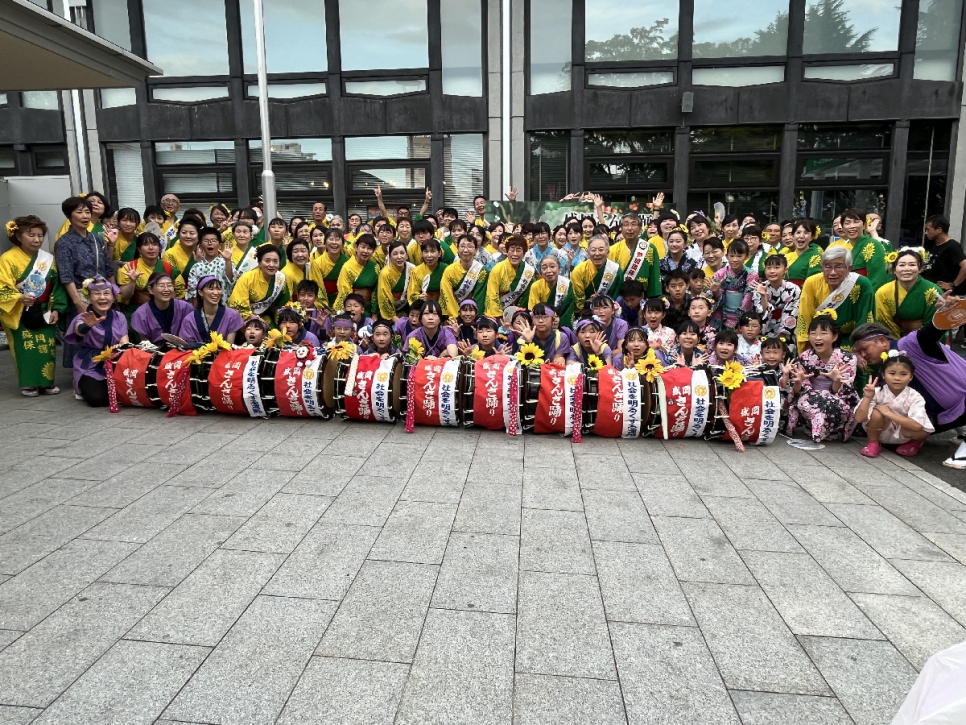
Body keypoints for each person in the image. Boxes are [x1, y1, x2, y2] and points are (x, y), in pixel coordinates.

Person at [0, 216, 68, 396]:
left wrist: (57, 308)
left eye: (40, 235)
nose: (37, 239)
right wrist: (19, 297)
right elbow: (2, 286)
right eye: (31, 235)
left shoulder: (48, 259)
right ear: (18, 236)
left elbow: (57, 285)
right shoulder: (7, 259)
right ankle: (29, 383)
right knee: (26, 348)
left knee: (46, 347)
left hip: (44, 309)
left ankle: (46, 382)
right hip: (19, 310)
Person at [55, 196, 118, 368]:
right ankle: (81, 372)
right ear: (69, 216)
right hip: (80, 295)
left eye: (87, 212)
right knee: (82, 333)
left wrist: (114, 292)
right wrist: (78, 303)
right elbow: (66, 276)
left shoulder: (97, 239)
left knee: (105, 332)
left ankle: (106, 369)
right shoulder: (64, 243)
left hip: (103, 294)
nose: (85, 216)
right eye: (79, 212)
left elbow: (107, 268)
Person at [788, 314, 859, 442]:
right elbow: (799, 390)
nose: (817, 338)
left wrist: (836, 381)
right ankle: (816, 430)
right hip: (810, 395)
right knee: (807, 403)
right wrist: (798, 382)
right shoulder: (804, 357)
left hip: (838, 398)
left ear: (835, 336)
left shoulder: (848, 358)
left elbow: (846, 390)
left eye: (823, 333)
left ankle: (823, 430)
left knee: (831, 404)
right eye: (813, 333)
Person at [797, 246, 876, 352]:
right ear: (822, 268)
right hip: (819, 341)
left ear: (849, 268)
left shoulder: (862, 284)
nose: (832, 272)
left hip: (851, 342)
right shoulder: (811, 283)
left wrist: (858, 350)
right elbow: (804, 317)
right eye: (828, 267)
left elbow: (864, 321)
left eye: (839, 267)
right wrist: (807, 350)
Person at [855, 353, 934, 458]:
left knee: (923, 428)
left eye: (903, 374)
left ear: (911, 377)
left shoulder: (915, 396)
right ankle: (873, 442)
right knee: (876, 413)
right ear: (883, 375)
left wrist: (889, 413)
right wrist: (868, 398)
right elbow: (859, 418)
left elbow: (917, 425)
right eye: (892, 373)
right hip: (880, 431)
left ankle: (915, 442)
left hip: (905, 434)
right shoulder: (877, 392)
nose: (897, 378)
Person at [66, 276, 129, 404]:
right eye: (97, 294)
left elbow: (125, 341)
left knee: (128, 392)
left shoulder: (119, 317)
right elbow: (78, 330)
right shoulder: (84, 316)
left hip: (115, 360)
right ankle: (81, 387)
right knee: (97, 399)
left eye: (106, 293)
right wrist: (87, 326)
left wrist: (121, 348)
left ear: (113, 297)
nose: (102, 297)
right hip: (90, 363)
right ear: (89, 298)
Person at [875, 249, 944, 339]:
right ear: (894, 270)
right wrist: (899, 343)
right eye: (902, 265)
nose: (906, 269)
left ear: (920, 269)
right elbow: (884, 322)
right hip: (895, 340)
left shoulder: (933, 291)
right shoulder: (883, 292)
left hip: (926, 339)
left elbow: (934, 323)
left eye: (912, 265)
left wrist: (917, 341)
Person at [228, 244, 290, 323]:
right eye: (267, 261)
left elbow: (283, 303)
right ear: (259, 263)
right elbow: (237, 306)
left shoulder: (280, 278)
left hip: (266, 316)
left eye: (275, 261)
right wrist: (257, 319)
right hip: (246, 319)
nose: (271, 265)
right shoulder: (247, 278)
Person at [177, 276, 244, 344]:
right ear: (200, 292)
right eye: (211, 289)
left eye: (218, 289)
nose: (216, 293)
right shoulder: (189, 320)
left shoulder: (232, 316)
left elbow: (229, 346)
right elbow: (186, 346)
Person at [130, 273, 193, 344]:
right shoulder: (140, 314)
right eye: (161, 286)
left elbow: (191, 334)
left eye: (169, 285)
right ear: (151, 290)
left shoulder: (185, 307)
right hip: (153, 349)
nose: (166, 289)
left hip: (183, 348)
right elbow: (144, 341)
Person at [608, 214, 662, 297]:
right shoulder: (612, 250)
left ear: (640, 229)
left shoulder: (650, 248)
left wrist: (654, 297)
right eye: (626, 224)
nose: (629, 228)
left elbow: (654, 275)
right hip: (619, 296)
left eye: (633, 224)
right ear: (621, 228)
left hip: (642, 296)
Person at [485, 234, 536, 318]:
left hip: (519, 314)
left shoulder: (528, 271)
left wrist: (520, 314)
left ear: (524, 253)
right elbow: (492, 294)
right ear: (507, 251)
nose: (514, 254)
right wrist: (499, 317)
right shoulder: (497, 269)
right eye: (512, 250)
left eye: (518, 250)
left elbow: (527, 297)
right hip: (499, 314)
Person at [710, 239, 758, 330]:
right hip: (722, 315)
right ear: (727, 256)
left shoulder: (752, 275)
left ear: (746, 256)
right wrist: (716, 292)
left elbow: (748, 297)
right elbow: (712, 297)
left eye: (739, 256)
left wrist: (741, 319)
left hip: (743, 316)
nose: (735, 259)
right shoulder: (720, 274)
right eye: (732, 256)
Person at [753, 252, 801, 341]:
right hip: (764, 331)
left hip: (785, 334)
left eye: (777, 267)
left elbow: (791, 313)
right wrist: (763, 296)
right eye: (768, 268)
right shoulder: (760, 288)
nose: (772, 271)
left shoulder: (794, 289)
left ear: (785, 270)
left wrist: (781, 337)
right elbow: (760, 312)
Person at [440, 233, 488, 320]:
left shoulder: (482, 271)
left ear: (476, 250)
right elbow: (447, 295)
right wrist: (456, 316)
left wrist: (473, 315)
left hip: (473, 315)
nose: (465, 250)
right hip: (454, 314)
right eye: (462, 246)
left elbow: (480, 296)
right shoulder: (449, 270)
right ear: (457, 249)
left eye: (470, 247)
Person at [837, 209, 889, 289]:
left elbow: (877, 278)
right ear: (843, 227)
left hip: (865, 293)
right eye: (847, 223)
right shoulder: (842, 247)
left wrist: (867, 295)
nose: (852, 226)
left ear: (864, 225)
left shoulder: (873, 245)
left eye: (856, 222)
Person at [572, 235, 622, 313]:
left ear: (608, 252)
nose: (597, 253)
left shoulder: (615, 269)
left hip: (610, 312)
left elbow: (617, 295)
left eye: (601, 250)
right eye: (593, 250)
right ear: (588, 252)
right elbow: (578, 301)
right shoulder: (579, 271)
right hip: (586, 313)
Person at [334, 233, 379, 315]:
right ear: (356, 247)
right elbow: (345, 292)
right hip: (352, 308)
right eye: (363, 247)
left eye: (369, 248)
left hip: (368, 308)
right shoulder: (347, 267)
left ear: (374, 251)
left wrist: (374, 313)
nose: (365, 251)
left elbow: (376, 291)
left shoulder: (375, 267)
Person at [527, 254, 575, 330]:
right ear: (541, 271)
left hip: (561, 323)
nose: (548, 271)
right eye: (544, 268)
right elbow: (534, 309)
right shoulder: (535, 286)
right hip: (542, 322)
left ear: (559, 268)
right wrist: (548, 320)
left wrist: (559, 320)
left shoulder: (566, 284)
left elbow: (568, 309)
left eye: (552, 266)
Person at [185, 226, 233, 300]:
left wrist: (228, 260)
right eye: (206, 240)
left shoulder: (226, 262)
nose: (210, 243)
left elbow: (231, 280)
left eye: (213, 240)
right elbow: (192, 292)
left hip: (223, 303)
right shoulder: (196, 267)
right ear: (200, 246)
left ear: (220, 246)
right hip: (202, 305)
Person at [923, 214, 966, 296]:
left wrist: (953, 285)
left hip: (947, 295)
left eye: (928, 229)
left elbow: (965, 266)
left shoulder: (953, 246)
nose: (926, 232)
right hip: (933, 290)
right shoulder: (935, 244)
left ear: (939, 230)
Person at [310, 227, 350, 308]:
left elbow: (348, 288)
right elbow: (317, 287)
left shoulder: (348, 262)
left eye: (337, 239)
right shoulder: (317, 263)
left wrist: (340, 306)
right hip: (324, 304)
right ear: (325, 243)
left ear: (343, 244)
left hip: (345, 302)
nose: (334, 242)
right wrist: (324, 306)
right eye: (331, 239)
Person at [377, 239, 415, 322]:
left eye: (402, 253)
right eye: (395, 254)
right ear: (390, 257)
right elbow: (384, 297)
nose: (399, 257)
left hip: (409, 310)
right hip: (391, 314)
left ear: (406, 255)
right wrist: (395, 319)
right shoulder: (385, 273)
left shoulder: (412, 269)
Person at [783, 219, 824, 287]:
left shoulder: (815, 256)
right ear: (793, 236)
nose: (801, 236)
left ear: (812, 237)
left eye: (806, 233)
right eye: (798, 232)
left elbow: (813, 282)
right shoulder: (786, 257)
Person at [409, 238, 445, 305]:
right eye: (426, 252)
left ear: (439, 253)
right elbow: (412, 294)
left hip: (442, 306)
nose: (429, 255)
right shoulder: (416, 271)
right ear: (422, 254)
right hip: (423, 306)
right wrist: (419, 297)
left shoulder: (446, 269)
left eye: (432, 251)